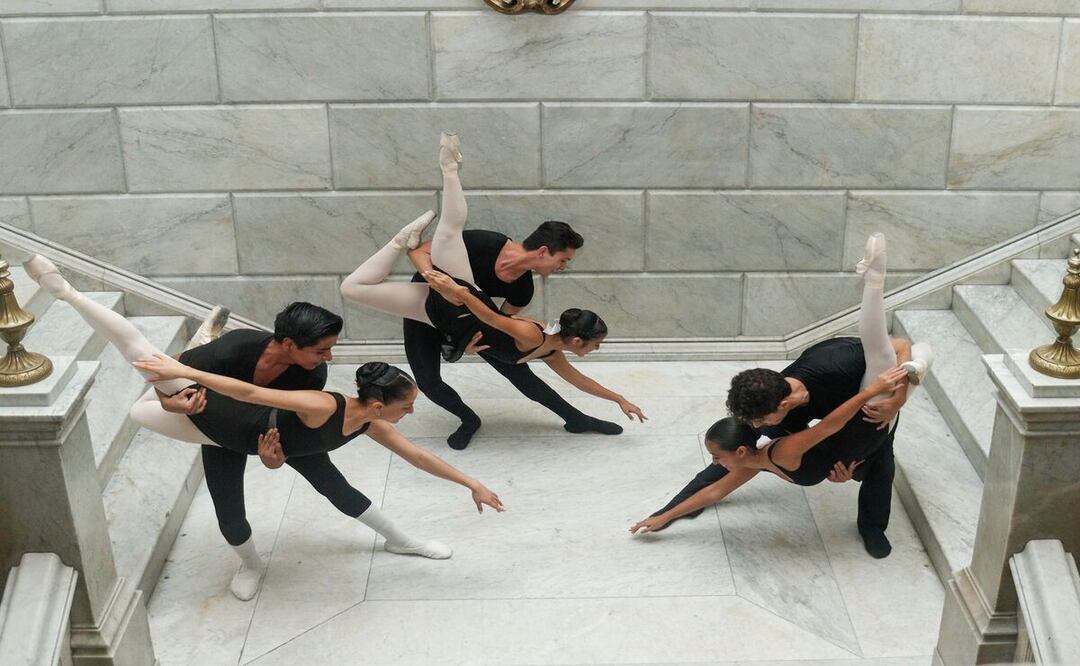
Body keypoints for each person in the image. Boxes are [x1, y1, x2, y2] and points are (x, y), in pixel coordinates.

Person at [22, 255, 503, 601]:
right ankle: (67, 292)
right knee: (220, 494)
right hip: (221, 417)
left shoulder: (332, 394)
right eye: (321, 349)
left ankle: (400, 539)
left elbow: (417, 455)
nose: (328, 357)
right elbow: (248, 395)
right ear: (289, 343)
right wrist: (178, 391)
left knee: (338, 490)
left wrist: (472, 482)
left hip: (280, 434)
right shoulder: (247, 355)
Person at [631, 233, 934, 558]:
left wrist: (898, 400)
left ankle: (872, 527)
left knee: (880, 462)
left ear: (784, 404)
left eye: (758, 420)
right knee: (738, 448)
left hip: (873, 406)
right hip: (833, 427)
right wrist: (667, 513)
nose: (755, 426)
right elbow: (732, 461)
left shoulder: (836, 362)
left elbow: (898, 346)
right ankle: (681, 507)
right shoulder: (766, 405)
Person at [341, 133, 646, 448]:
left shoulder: (524, 292)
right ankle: (449, 170)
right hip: (436, 295)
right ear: (544, 251)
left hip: (464, 317)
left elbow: (495, 325)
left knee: (517, 369)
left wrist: (464, 342)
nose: (563, 267)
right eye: (563, 260)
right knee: (429, 379)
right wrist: (442, 283)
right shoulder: (487, 244)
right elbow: (422, 253)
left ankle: (577, 419)